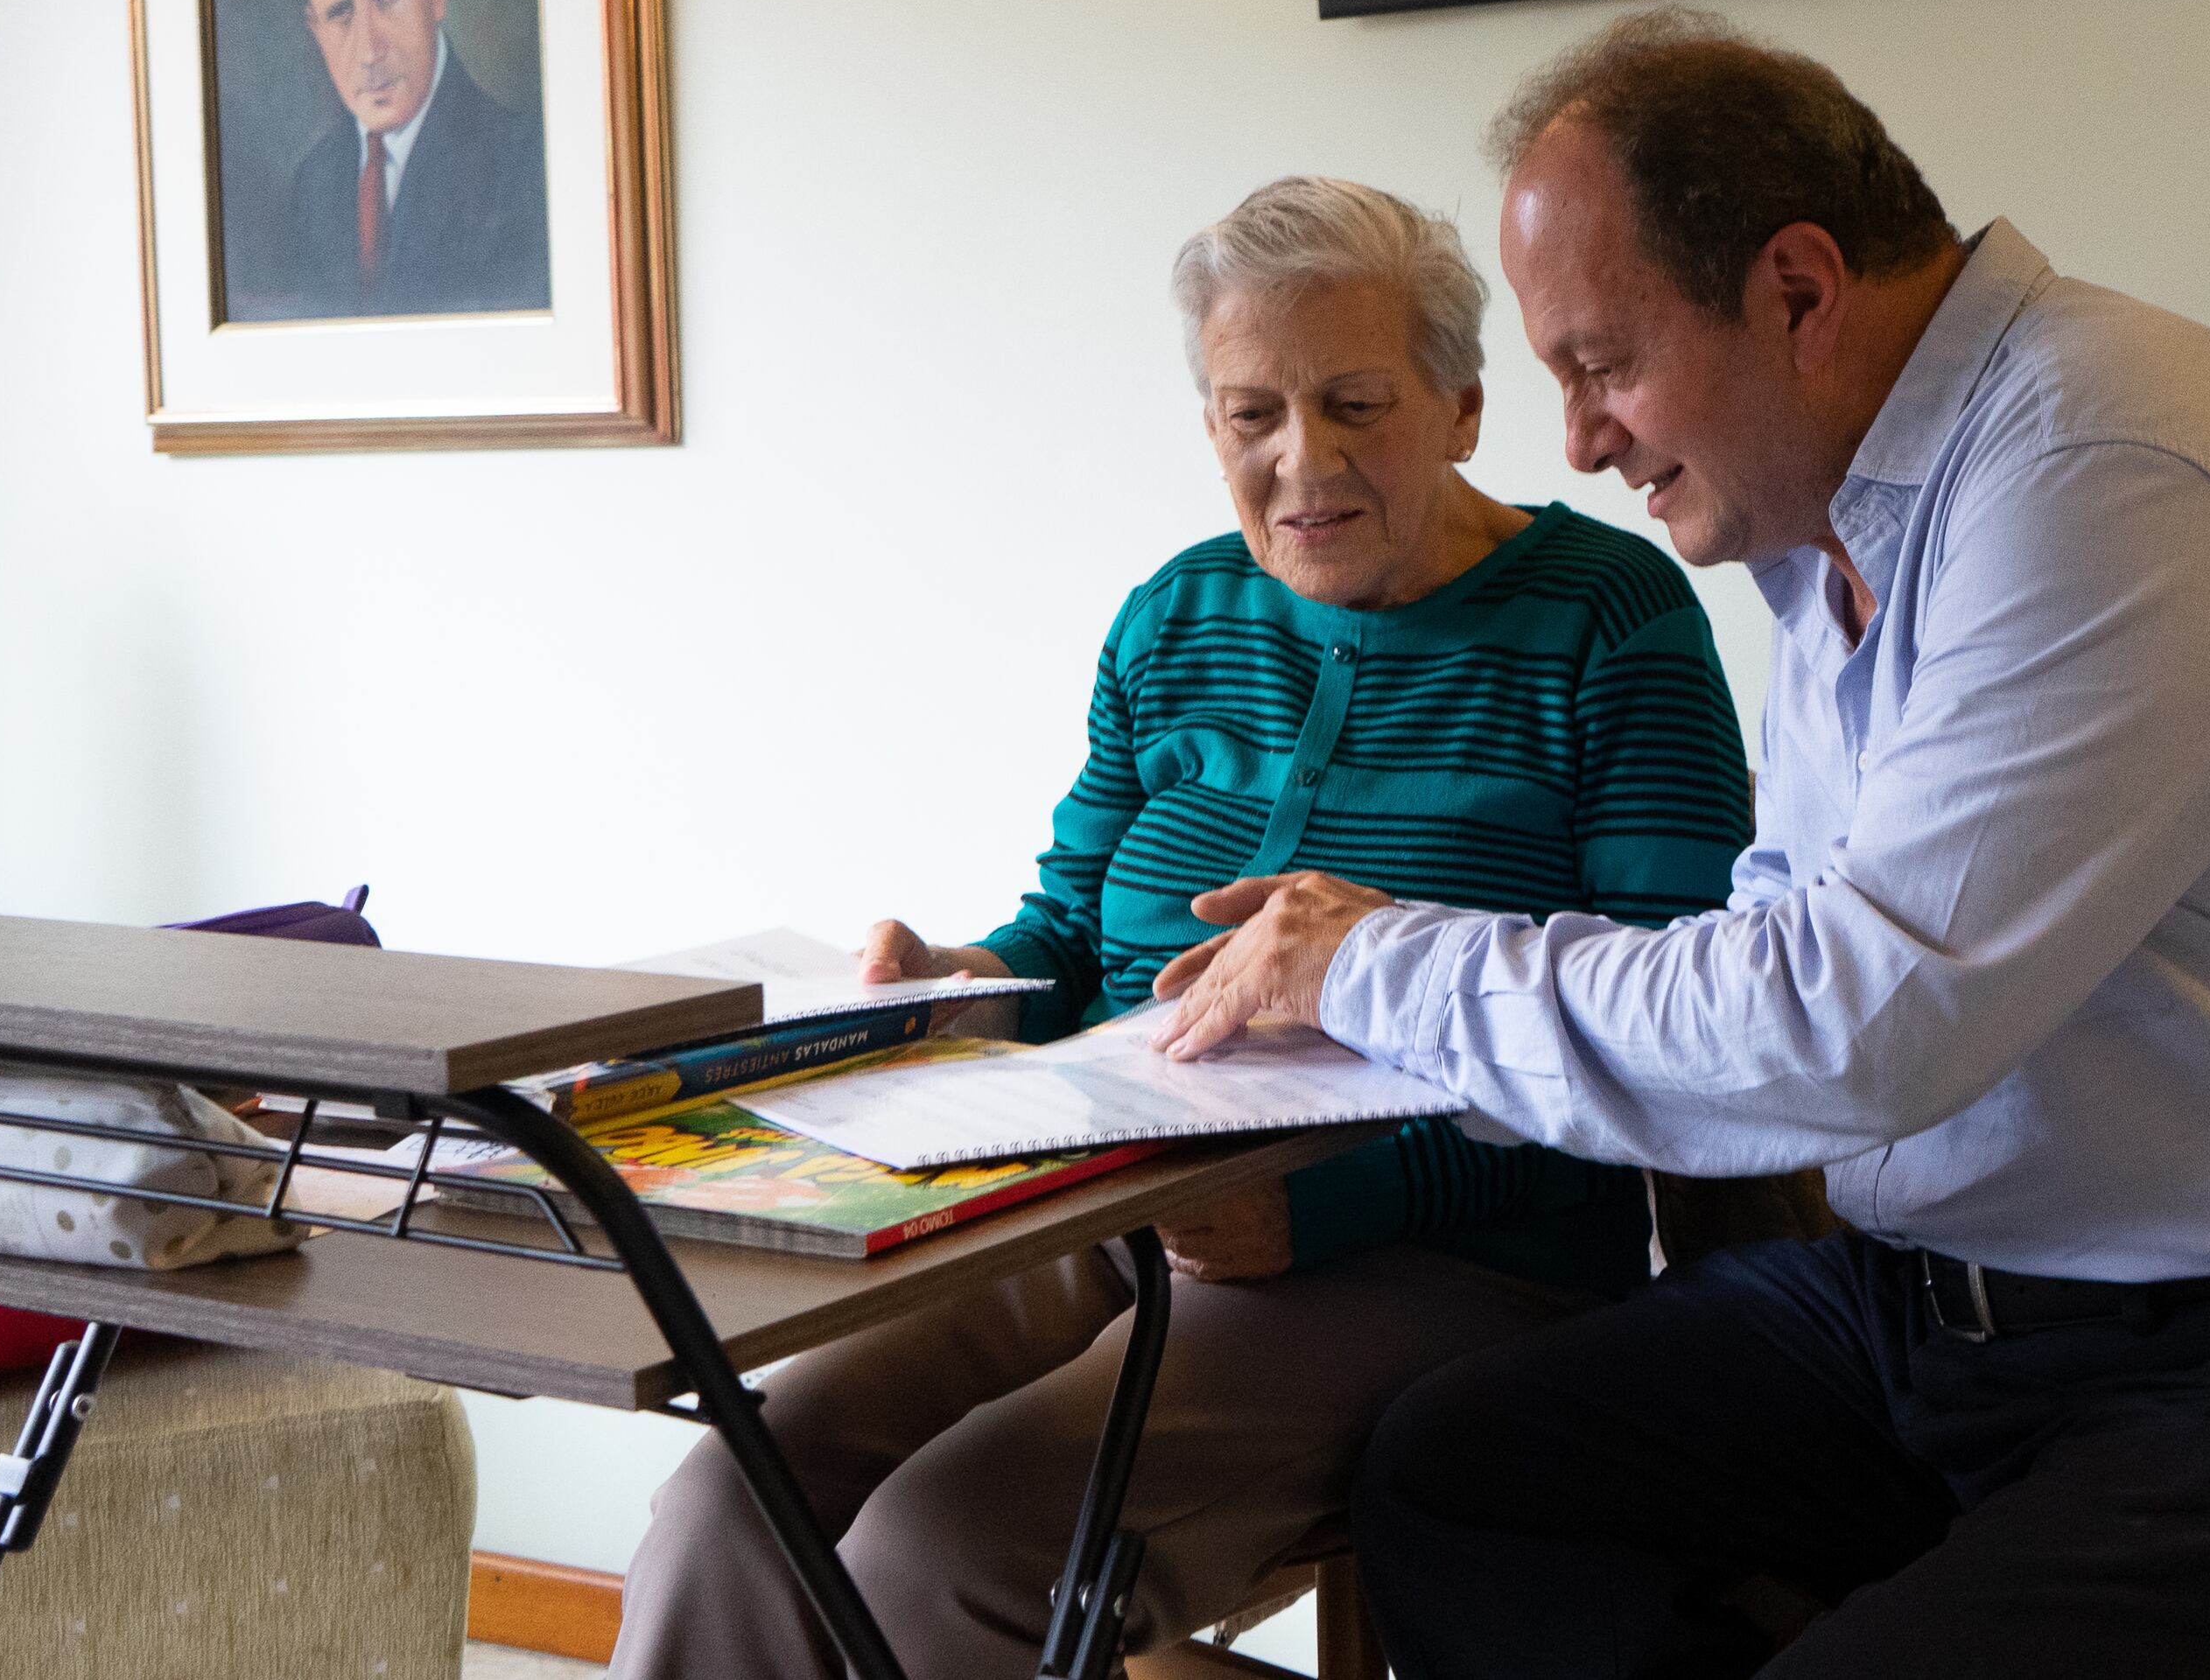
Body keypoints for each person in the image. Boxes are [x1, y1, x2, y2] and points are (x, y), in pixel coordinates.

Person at [1149, 13, 2210, 1679]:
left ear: (1794, 289)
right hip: (1955, 1313)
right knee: (1466, 1474)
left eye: (1600, 362)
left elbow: (1853, 1025)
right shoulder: (1835, 518)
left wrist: (1379, 955)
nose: (1577, 439)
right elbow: (1776, 951)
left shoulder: (2100, 464)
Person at [607, 178, 1752, 1680]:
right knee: (726, 1496)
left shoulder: (1611, 620)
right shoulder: (1177, 616)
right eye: (1251, 413)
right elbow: (1069, 939)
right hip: (1099, 1193)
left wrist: (1320, 1212)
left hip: (1459, 1253)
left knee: (946, 1552)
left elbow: (1679, 1037)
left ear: (1465, 407)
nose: (1303, 461)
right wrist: (955, 980)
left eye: (1354, 402)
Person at [269, 0, 551, 318]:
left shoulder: (527, 169)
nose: (369, 51)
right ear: (316, 31)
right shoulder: (310, 189)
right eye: (341, 15)